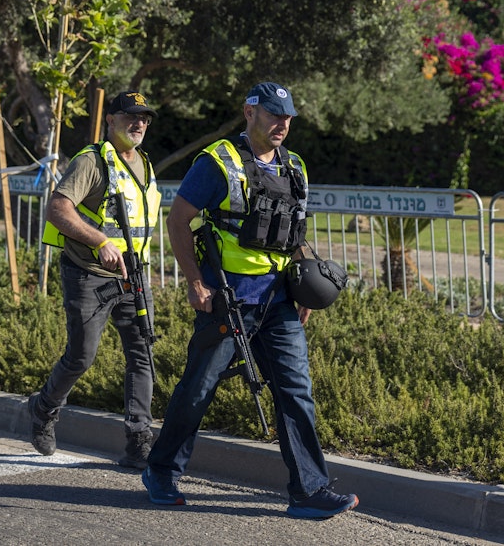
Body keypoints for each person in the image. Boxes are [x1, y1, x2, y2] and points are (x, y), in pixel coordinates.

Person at [141, 82, 358, 519]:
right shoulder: (217, 161)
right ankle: (161, 469)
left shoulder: (295, 166)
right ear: (250, 113)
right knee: (198, 388)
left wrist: (304, 286)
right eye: (274, 115)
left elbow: (293, 232)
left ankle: (309, 490)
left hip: (279, 300)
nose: (282, 124)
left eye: (288, 117)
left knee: (296, 391)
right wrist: (194, 280)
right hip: (228, 298)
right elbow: (179, 218)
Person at [31, 91, 162, 469]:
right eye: (130, 116)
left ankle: (139, 440)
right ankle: (44, 410)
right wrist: (100, 241)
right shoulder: (92, 162)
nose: (138, 124)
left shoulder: (145, 165)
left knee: (142, 356)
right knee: (81, 357)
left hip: (132, 278)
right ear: (111, 120)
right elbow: (58, 209)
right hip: (88, 275)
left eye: (144, 118)